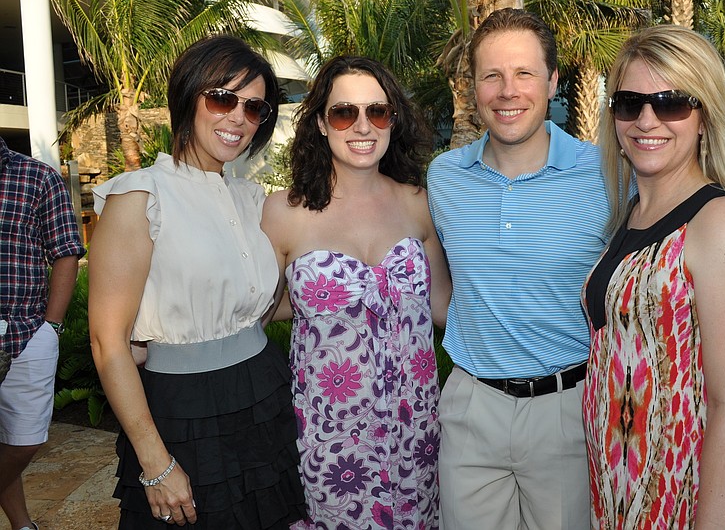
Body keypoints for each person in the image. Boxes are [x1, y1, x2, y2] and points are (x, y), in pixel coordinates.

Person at [88, 35, 307, 528]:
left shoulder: (254, 199)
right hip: (181, 410)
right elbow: (108, 342)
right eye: (222, 98)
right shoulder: (139, 197)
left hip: (261, 394)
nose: (237, 118)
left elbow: (263, 304)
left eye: (254, 108)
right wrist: (154, 460)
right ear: (188, 96)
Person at [583, 24, 725, 528]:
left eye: (670, 102)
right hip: (617, 494)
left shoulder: (722, 224)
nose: (647, 119)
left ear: (704, 117)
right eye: (629, 103)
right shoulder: (629, 216)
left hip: (680, 501)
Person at [426, 8, 609, 530]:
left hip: (566, 408)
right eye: (492, 75)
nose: (508, 90)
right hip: (470, 408)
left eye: (524, 73)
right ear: (474, 86)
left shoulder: (604, 175)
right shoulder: (444, 177)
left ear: (553, 82)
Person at [261, 56, 450, 529]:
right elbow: (256, 313)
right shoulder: (284, 211)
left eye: (378, 112)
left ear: (392, 121)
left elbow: (445, 307)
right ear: (322, 123)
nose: (363, 126)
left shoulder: (418, 203)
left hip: (416, 431)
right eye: (345, 112)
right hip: (329, 437)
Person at [0, 138, 85, 530]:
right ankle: (22, 525)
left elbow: (67, 251)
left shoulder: (37, 177)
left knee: (25, 439)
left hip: (25, 332)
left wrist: (51, 327)